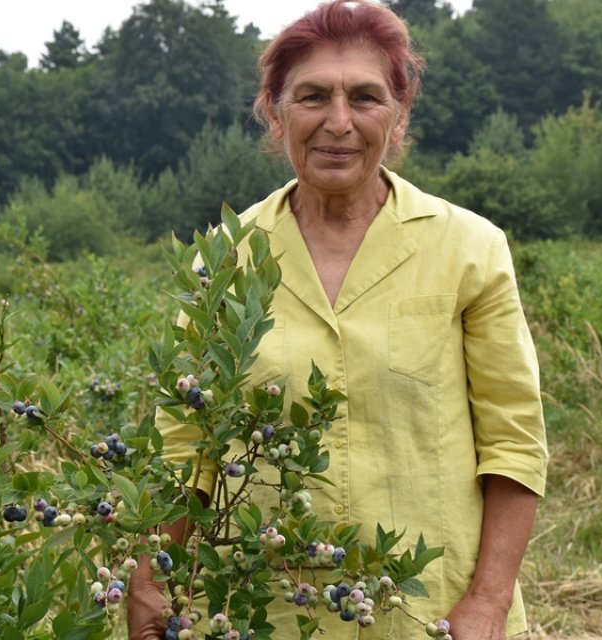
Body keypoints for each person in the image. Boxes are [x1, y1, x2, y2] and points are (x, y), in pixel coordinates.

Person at [127, 2, 549, 639]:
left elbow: (513, 443)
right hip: (261, 609)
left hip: (430, 614)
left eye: (366, 97)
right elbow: (186, 446)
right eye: (313, 96)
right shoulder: (227, 257)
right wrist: (152, 578)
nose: (339, 122)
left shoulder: (468, 249)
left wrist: (488, 601)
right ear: (275, 109)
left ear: (399, 113)